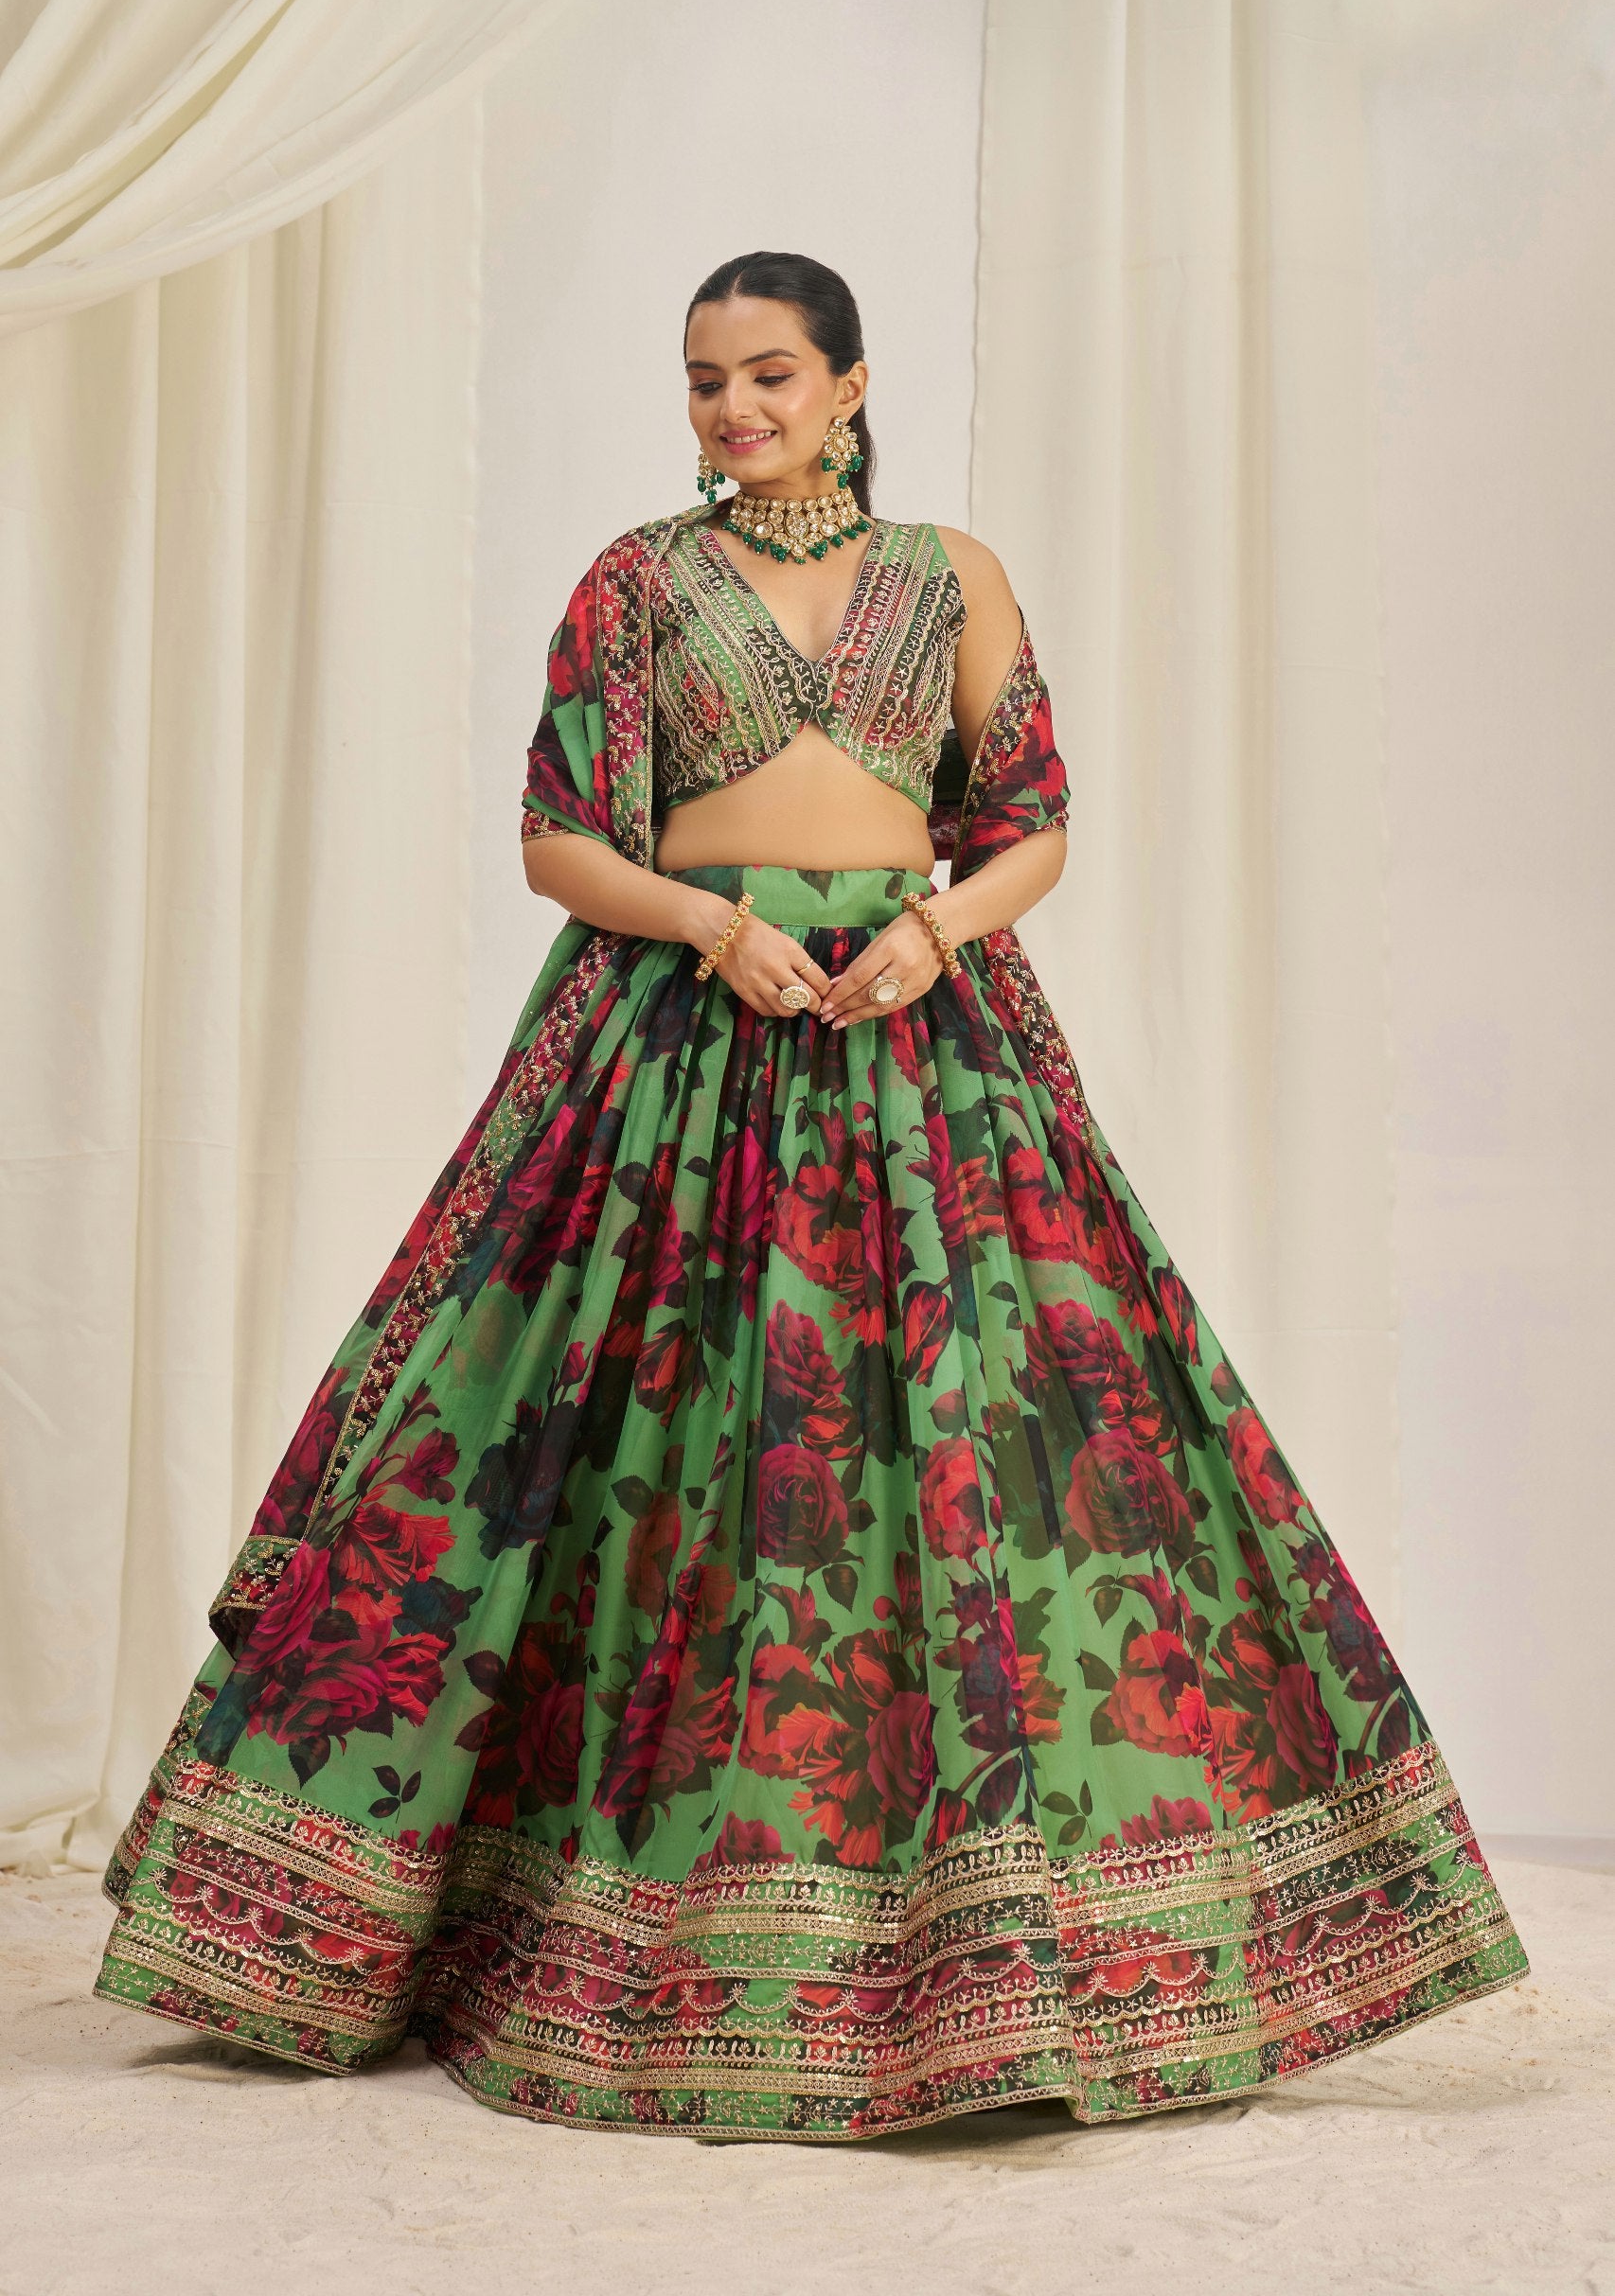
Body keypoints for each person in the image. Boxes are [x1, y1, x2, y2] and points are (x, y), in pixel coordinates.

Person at [97, 250, 1527, 2140]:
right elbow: (556, 838)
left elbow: (1032, 822)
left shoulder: (953, 574)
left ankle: (1004, 1943)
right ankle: (517, 1918)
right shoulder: (633, 581)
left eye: (770, 375)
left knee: (998, 1447)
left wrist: (935, 932)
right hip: (675, 1041)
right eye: (704, 381)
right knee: (616, 1447)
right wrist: (713, 922)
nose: (734, 411)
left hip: (920, 1034)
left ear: (850, 385)